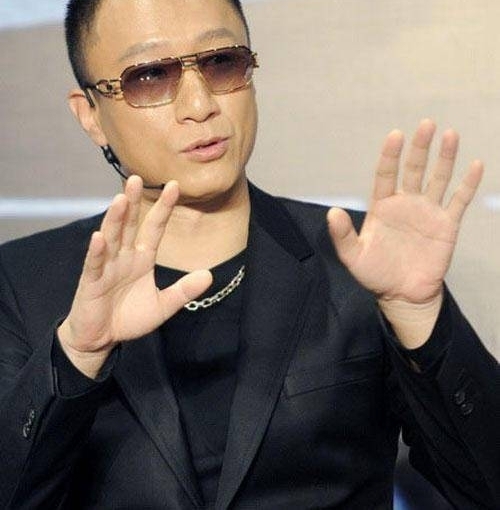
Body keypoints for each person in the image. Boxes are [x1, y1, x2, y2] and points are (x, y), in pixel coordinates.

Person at [0, 0, 498, 508]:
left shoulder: (359, 258)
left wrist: (418, 314)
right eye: (149, 76)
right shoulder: (20, 283)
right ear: (90, 115)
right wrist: (78, 358)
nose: (199, 105)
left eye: (221, 62)